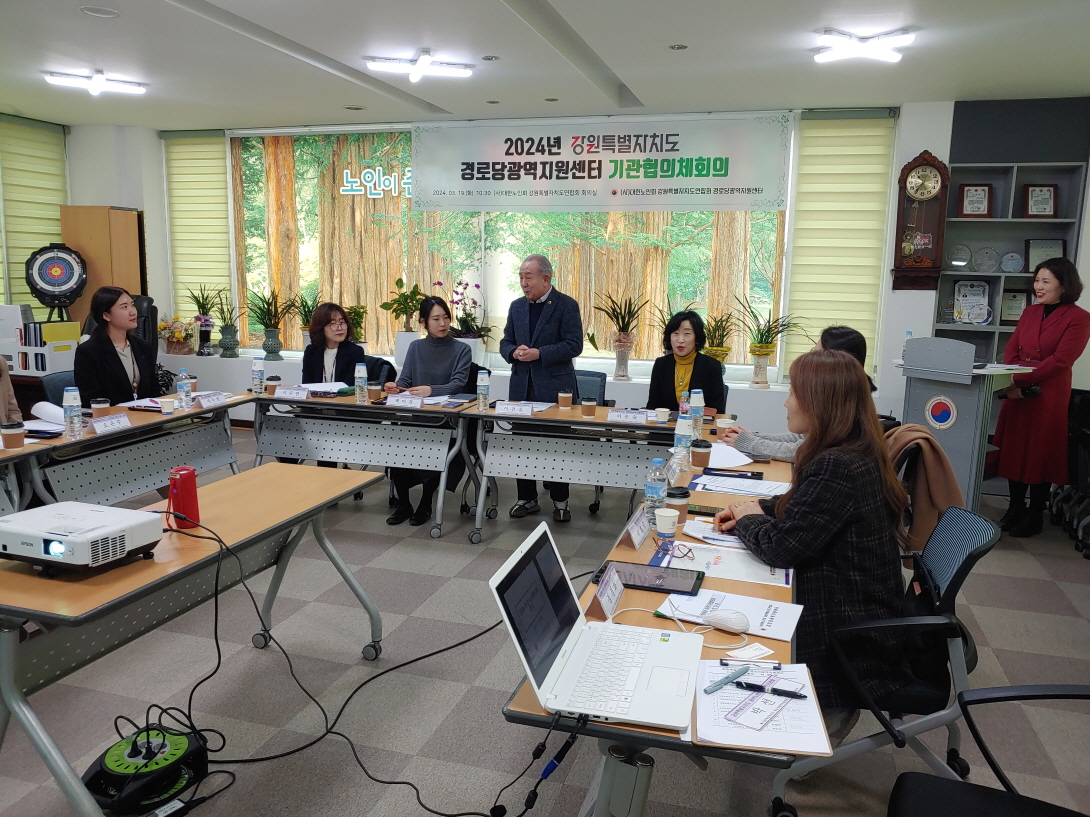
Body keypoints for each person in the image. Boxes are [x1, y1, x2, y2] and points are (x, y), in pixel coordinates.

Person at [713, 349, 911, 741]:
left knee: (729, 605)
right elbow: (810, 510)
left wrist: (750, 517)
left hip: (847, 632)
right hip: (859, 604)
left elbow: (782, 548)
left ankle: (831, 712)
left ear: (820, 402)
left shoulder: (836, 465)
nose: (786, 402)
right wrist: (760, 507)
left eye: (793, 392)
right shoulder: (855, 450)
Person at [993, 258, 1090, 537]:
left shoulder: (1079, 318)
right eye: (1037, 280)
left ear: (1064, 285)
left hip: (1048, 393)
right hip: (1017, 391)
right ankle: (1014, 508)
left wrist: (1020, 378)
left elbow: (1061, 361)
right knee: (1013, 450)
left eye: (1045, 281)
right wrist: (1010, 376)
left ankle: (1035, 513)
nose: (1038, 286)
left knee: (1040, 453)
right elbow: (1011, 348)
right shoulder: (1030, 313)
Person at [499, 254, 583, 522]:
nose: (523, 283)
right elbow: (505, 342)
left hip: (556, 390)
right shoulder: (516, 307)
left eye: (528, 277)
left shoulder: (566, 305)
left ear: (546, 278)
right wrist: (514, 352)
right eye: (521, 277)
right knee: (522, 445)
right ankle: (527, 498)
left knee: (557, 446)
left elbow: (574, 345)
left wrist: (539, 353)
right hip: (522, 389)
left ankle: (560, 501)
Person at [723, 325, 874, 462]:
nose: (786, 403)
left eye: (817, 353)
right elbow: (803, 439)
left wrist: (751, 442)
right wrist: (754, 436)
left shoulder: (835, 458)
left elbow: (802, 450)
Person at [384, 295, 471, 526]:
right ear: (423, 321)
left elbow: (458, 384)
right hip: (415, 415)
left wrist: (430, 390)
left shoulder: (462, 349)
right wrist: (395, 387)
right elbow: (405, 379)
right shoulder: (415, 347)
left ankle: (425, 504)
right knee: (397, 443)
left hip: (444, 419)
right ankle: (404, 504)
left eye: (445, 318)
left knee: (435, 444)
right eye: (436, 318)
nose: (443, 323)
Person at [300, 302, 395, 470]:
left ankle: (327, 483)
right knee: (284, 432)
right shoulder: (311, 352)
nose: (339, 327)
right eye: (333, 323)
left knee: (326, 436)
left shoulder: (354, 351)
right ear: (321, 327)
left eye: (342, 322)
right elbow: (307, 384)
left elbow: (349, 388)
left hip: (343, 413)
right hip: (316, 410)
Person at [74, 286, 161, 407]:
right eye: (124, 307)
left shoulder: (142, 346)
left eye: (132, 305)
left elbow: (154, 389)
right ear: (106, 315)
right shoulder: (89, 352)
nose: (133, 312)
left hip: (145, 417)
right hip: (111, 420)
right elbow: (92, 399)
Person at [645, 311, 726, 414]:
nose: (680, 340)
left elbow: (718, 411)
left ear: (697, 338)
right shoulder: (661, 365)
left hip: (699, 427)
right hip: (666, 427)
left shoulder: (711, 366)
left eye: (687, 334)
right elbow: (653, 406)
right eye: (675, 333)